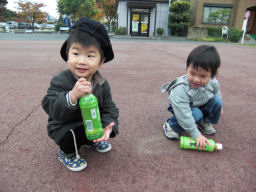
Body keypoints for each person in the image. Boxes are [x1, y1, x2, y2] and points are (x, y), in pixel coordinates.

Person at [42, 17, 119, 171]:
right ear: (67, 54)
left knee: (100, 126)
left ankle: (92, 141)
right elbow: (49, 104)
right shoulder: (61, 80)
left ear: (101, 61)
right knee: (71, 135)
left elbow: (109, 108)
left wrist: (109, 126)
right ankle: (66, 153)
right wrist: (71, 96)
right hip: (64, 126)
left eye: (90, 56)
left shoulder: (101, 83)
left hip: (89, 125)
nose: (82, 61)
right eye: (76, 53)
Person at [161, 45, 222, 150]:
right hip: (183, 108)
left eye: (203, 76)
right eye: (192, 73)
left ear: (212, 75)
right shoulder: (180, 89)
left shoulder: (213, 81)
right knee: (195, 114)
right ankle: (171, 125)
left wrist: (219, 108)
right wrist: (196, 135)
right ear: (187, 68)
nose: (196, 79)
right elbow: (184, 114)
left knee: (217, 101)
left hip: (200, 102)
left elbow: (216, 92)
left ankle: (205, 122)